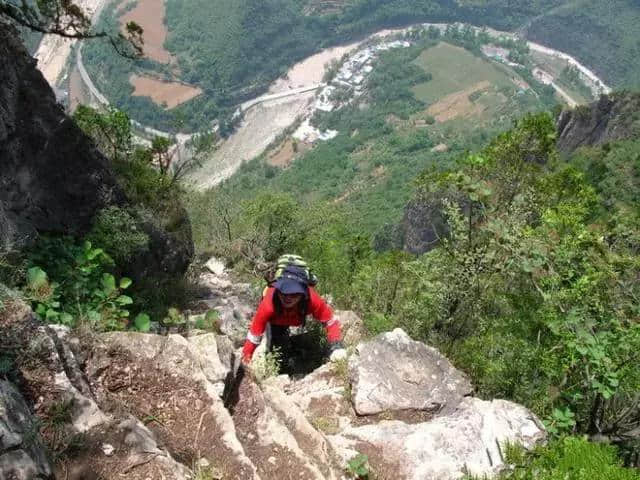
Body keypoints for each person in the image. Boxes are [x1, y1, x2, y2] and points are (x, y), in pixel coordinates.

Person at [241, 265, 347, 367]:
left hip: (292, 317)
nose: (288, 298)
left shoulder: (312, 299)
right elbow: (254, 337)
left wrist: (336, 347)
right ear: (278, 290)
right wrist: (245, 361)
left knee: (284, 344)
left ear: (303, 293)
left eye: (294, 294)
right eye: (283, 293)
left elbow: (330, 322)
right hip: (276, 321)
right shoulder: (269, 304)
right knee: (276, 347)